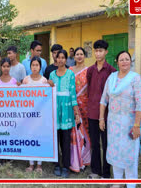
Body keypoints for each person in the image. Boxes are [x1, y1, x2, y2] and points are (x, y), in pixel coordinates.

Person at [100, 51, 141, 188]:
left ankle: (131, 183)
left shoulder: (135, 79)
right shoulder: (111, 78)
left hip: (129, 124)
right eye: (122, 59)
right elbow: (104, 99)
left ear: (130, 62)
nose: (125, 61)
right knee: (115, 152)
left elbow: (140, 104)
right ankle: (118, 181)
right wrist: (101, 118)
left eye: (127, 59)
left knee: (129, 154)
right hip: (113, 123)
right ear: (117, 62)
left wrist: (136, 125)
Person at [48, 50, 80, 178]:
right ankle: (57, 165)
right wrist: (49, 85)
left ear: (66, 60)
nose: (60, 60)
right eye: (58, 57)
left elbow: (73, 93)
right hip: (55, 110)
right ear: (55, 59)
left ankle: (66, 166)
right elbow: (48, 93)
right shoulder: (51, 74)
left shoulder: (70, 74)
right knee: (55, 140)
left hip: (66, 110)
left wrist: (76, 111)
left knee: (66, 140)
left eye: (63, 58)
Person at [87, 40, 116, 179]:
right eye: (96, 51)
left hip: (106, 114)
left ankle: (106, 173)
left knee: (106, 144)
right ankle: (95, 171)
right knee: (94, 143)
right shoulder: (90, 70)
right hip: (92, 112)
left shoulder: (112, 71)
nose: (98, 53)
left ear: (106, 52)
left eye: (101, 51)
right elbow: (89, 89)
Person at [22, 56, 48, 173]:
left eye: (37, 65)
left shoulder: (44, 80)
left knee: (39, 138)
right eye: (33, 65)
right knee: (29, 137)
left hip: (40, 116)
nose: (35, 67)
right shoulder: (26, 80)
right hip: (28, 116)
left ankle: (39, 164)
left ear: (40, 67)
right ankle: (31, 164)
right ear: (30, 66)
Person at [69, 47, 91, 172]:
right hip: (73, 106)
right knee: (75, 133)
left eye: (81, 54)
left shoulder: (88, 71)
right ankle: (76, 161)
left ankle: (86, 159)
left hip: (85, 106)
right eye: (77, 54)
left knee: (86, 132)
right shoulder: (70, 71)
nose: (79, 56)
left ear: (84, 56)